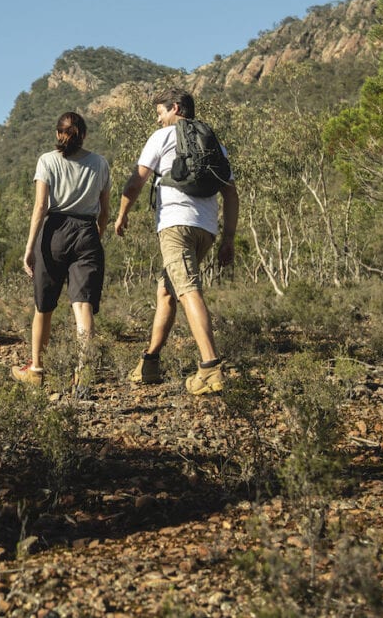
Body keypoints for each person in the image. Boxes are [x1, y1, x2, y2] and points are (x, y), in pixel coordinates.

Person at [114, 88, 239, 395]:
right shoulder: (214, 143)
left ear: (176, 109)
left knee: (186, 290)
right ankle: (150, 363)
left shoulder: (163, 137)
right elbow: (231, 193)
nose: (159, 120)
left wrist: (121, 214)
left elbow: (137, 180)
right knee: (167, 291)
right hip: (206, 228)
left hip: (175, 224)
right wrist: (228, 239)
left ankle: (210, 367)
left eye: (160, 113)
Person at [12, 111, 111, 387]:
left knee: (43, 306)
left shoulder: (47, 161)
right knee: (83, 306)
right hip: (87, 231)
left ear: (58, 134)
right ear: (84, 136)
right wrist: (95, 237)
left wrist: (29, 248)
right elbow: (105, 211)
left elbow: (40, 208)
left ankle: (36, 371)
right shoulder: (100, 163)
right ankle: (84, 374)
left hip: (54, 232)